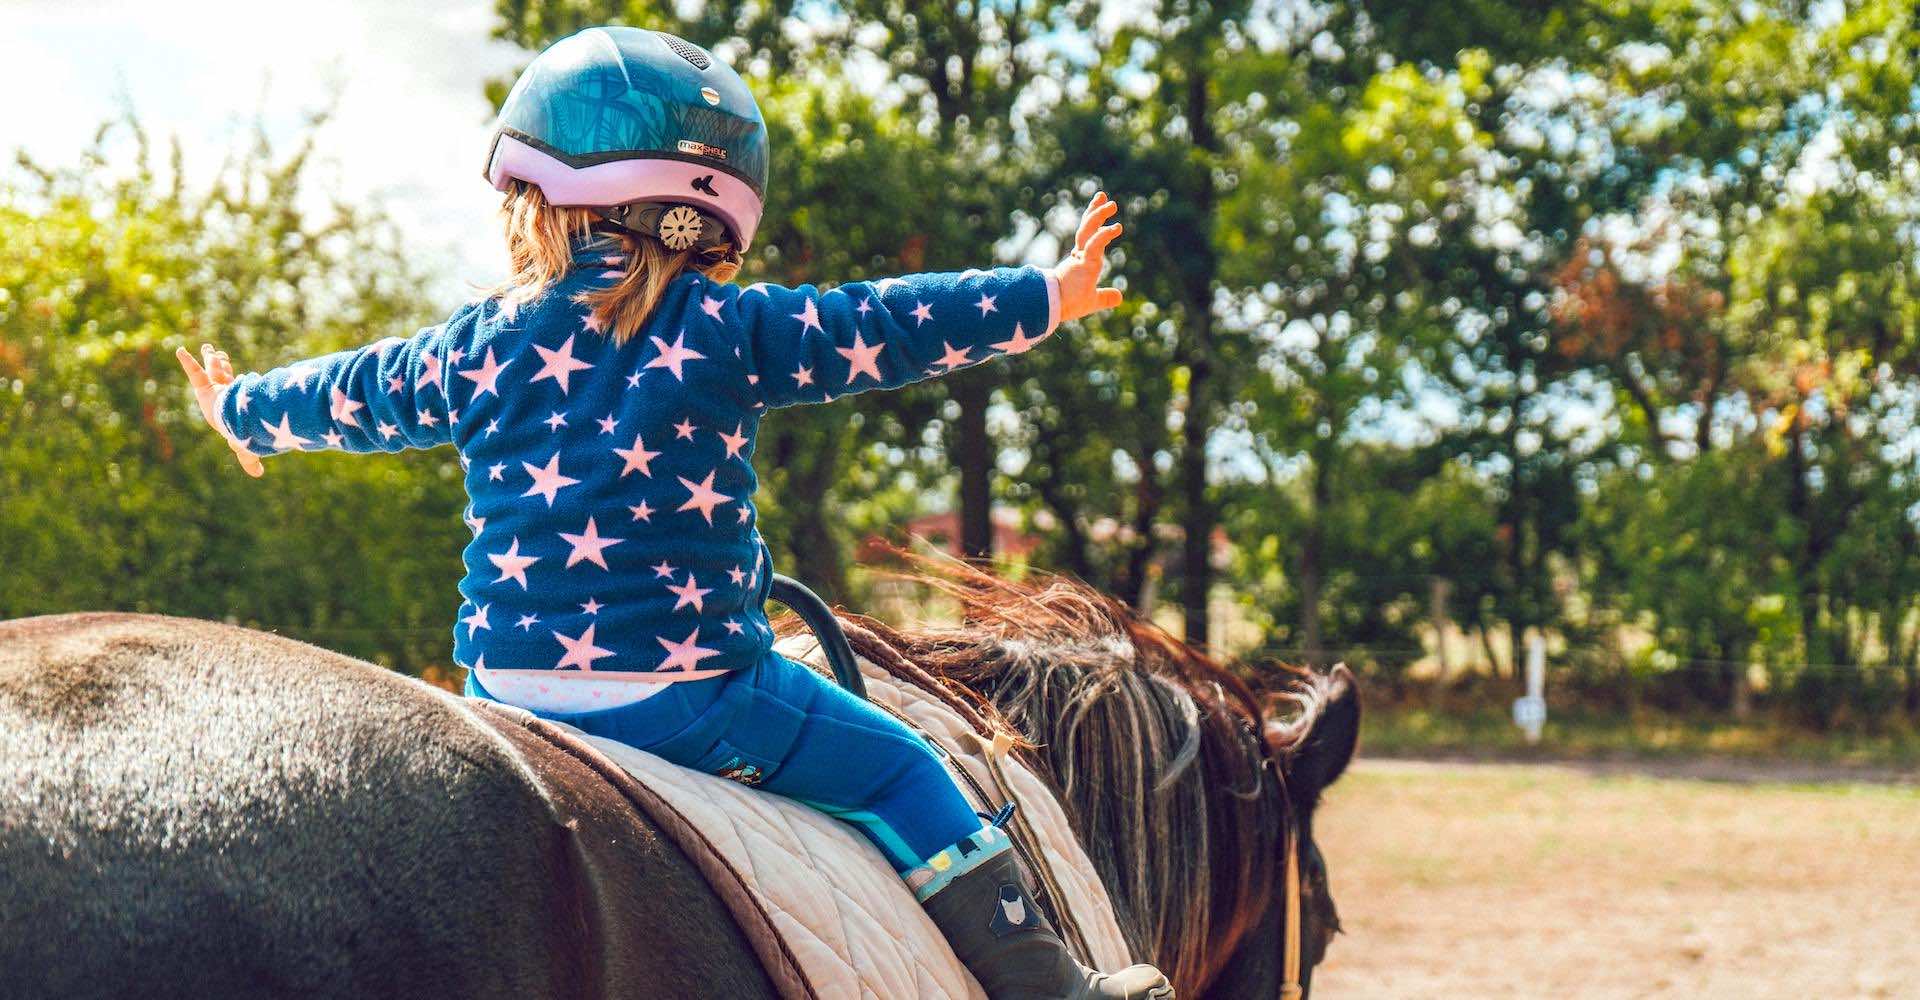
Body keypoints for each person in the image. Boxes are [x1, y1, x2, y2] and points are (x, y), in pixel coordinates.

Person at [176, 25, 1167, 1000]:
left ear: (541, 200)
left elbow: (355, 390)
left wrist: (243, 411)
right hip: (686, 691)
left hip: (502, 689)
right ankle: (1054, 989)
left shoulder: (469, 346)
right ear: (711, 218)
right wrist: (1043, 294)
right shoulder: (730, 329)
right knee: (902, 770)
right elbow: (885, 321)